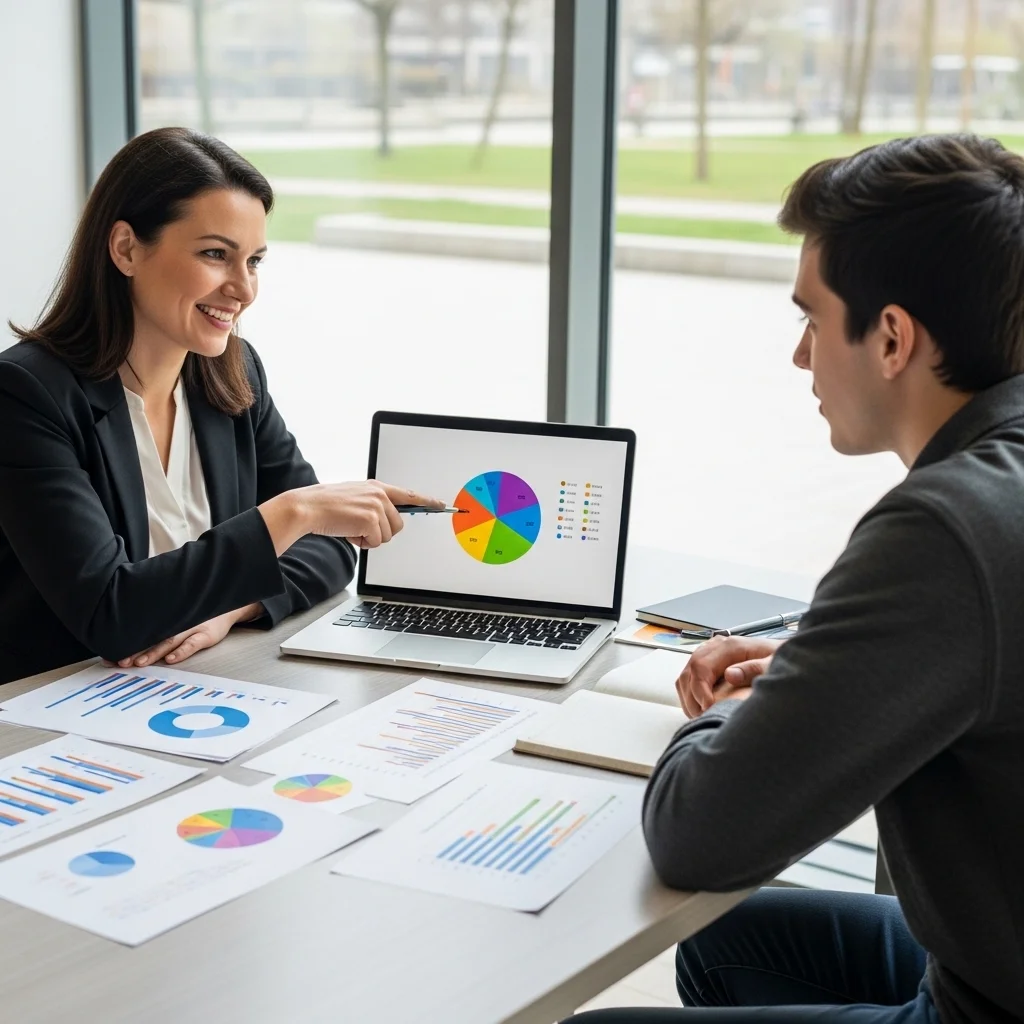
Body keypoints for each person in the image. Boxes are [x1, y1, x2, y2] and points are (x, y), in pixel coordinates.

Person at [567, 134, 1024, 1023]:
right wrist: (816, 672)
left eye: (811, 319)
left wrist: (743, 710)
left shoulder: (943, 526)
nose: (800, 358)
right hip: (983, 958)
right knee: (725, 941)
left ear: (891, 337)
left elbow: (701, 836)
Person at [0, 127, 441, 686]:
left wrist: (232, 607)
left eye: (254, 260)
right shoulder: (25, 394)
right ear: (126, 249)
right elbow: (112, 613)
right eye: (215, 255)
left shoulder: (231, 371)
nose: (244, 288)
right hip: (51, 709)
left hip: (199, 684)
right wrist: (291, 514)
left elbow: (330, 552)